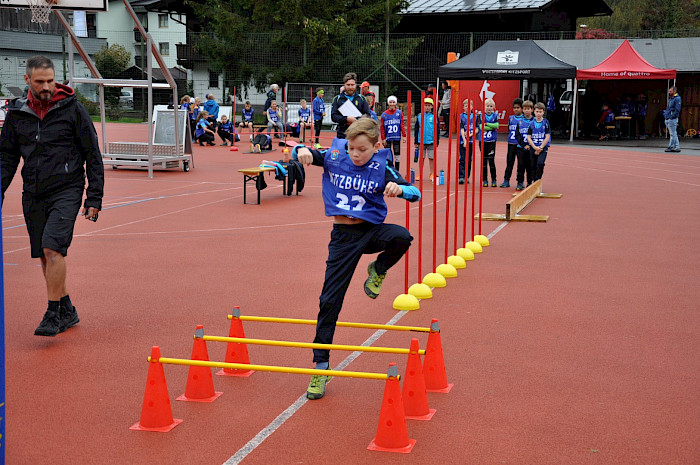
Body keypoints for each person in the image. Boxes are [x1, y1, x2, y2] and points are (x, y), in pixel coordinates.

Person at [292, 118, 421, 400]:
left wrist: (400, 189)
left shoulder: (381, 166)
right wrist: (300, 151)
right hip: (343, 237)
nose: (355, 154)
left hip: (372, 231)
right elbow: (300, 151)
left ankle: (378, 268)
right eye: (352, 148)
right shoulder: (336, 156)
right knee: (329, 301)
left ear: (377, 146)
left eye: (362, 149)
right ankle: (321, 367)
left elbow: (415, 193)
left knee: (402, 236)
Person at [0, 55, 104, 337]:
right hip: (33, 192)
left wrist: (94, 197)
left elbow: (92, 154)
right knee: (45, 256)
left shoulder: (73, 109)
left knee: (52, 249)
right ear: (27, 81)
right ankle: (68, 308)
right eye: (40, 82)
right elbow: (7, 157)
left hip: (67, 189)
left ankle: (52, 313)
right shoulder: (17, 113)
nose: (46, 86)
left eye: (50, 80)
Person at [331, 72, 372, 139]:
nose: (350, 87)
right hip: (342, 134)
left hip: (358, 134)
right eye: (348, 85)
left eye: (352, 85)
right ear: (344, 85)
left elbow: (368, 115)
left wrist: (357, 120)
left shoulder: (361, 99)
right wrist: (346, 119)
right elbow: (333, 116)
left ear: (355, 85)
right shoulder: (337, 99)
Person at [414, 97, 440, 182]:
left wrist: (437, 140)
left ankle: (432, 173)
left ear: (432, 106)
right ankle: (420, 173)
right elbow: (416, 129)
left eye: (429, 105)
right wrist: (416, 141)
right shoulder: (419, 116)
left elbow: (437, 129)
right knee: (421, 157)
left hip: (431, 140)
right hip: (421, 141)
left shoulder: (434, 116)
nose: (427, 107)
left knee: (431, 157)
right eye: (426, 105)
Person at [500, 98, 523, 188]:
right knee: (509, 162)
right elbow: (509, 129)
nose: (516, 109)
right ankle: (506, 180)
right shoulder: (511, 118)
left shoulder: (524, 119)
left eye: (518, 107)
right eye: (514, 108)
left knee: (521, 164)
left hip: (520, 145)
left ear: (521, 108)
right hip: (511, 143)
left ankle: (520, 181)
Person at [380, 95, 406, 172]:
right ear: (388, 103)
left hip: (396, 137)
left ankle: (397, 170)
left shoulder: (399, 113)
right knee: (387, 154)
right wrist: (383, 138)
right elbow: (382, 127)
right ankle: (388, 170)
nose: (392, 104)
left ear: (395, 103)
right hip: (388, 137)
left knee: (397, 154)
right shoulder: (384, 115)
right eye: (390, 102)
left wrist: (404, 135)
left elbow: (402, 124)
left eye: (393, 102)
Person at [527, 102, 551, 181]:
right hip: (533, 147)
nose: (538, 114)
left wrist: (540, 147)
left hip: (542, 147)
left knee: (540, 164)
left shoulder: (545, 123)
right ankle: (533, 181)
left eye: (540, 112)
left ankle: (538, 180)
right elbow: (529, 137)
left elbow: (547, 136)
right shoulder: (531, 123)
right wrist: (534, 147)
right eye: (537, 112)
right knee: (532, 165)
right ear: (534, 111)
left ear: (543, 112)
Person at [514, 100, 534, 190]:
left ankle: (529, 182)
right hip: (521, 147)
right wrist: (523, 145)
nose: (526, 111)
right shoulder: (520, 121)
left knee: (530, 166)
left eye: (528, 109)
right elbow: (517, 135)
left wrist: (531, 145)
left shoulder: (534, 121)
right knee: (520, 165)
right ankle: (519, 182)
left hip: (531, 147)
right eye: (525, 109)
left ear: (532, 110)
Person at [458, 99, 479, 185]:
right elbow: (461, 129)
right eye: (466, 106)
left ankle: (467, 176)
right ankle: (461, 176)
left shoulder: (475, 117)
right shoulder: (461, 116)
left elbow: (477, 128)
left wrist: (470, 135)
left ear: (472, 107)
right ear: (463, 107)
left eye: (469, 105)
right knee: (462, 158)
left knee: (469, 159)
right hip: (462, 141)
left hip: (471, 141)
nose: (467, 107)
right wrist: (465, 140)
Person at [480, 98, 499, 187]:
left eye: (491, 106)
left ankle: (494, 179)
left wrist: (487, 124)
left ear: (493, 108)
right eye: (487, 106)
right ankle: (485, 180)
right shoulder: (481, 116)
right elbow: (481, 127)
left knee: (491, 160)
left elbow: (496, 126)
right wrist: (490, 126)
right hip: (483, 141)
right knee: (484, 161)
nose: (489, 108)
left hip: (491, 141)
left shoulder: (495, 116)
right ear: (484, 107)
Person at [664, 86, 682, 152]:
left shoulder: (677, 99)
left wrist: (671, 117)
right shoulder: (670, 99)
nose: (669, 92)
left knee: (673, 133)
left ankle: (673, 146)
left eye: (670, 91)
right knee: (673, 133)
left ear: (674, 91)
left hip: (672, 118)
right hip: (668, 117)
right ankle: (675, 146)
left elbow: (677, 109)